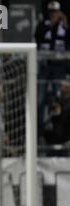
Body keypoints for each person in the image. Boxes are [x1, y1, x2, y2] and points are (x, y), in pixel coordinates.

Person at [35, 1, 70, 138]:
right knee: (40, 99)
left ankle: (58, 129)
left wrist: (64, 23)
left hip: (59, 66)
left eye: (55, 12)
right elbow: (38, 37)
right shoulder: (43, 25)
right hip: (45, 66)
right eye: (51, 12)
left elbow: (66, 39)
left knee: (59, 96)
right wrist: (52, 24)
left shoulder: (65, 25)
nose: (53, 14)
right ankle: (38, 132)